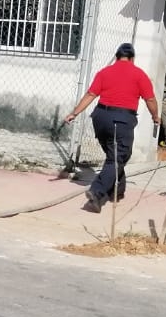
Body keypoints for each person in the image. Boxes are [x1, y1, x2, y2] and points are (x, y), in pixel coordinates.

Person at [63, 42, 160, 212]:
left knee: (114, 156)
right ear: (132, 59)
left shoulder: (105, 72)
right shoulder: (139, 74)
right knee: (118, 157)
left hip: (100, 118)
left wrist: (75, 113)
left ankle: (118, 191)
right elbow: (150, 99)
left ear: (116, 57)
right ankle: (97, 192)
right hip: (121, 120)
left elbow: (91, 94)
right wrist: (155, 116)